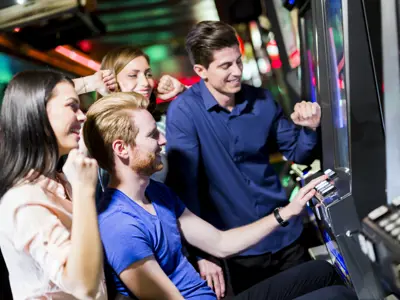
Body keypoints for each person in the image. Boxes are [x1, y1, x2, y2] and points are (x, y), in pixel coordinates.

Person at [83, 92, 358, 300]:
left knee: (324, 271)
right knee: (337, 297)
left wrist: (288, 211)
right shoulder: (119, 225)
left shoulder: (157, 193)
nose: (164, 141)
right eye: (153, 135)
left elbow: (221, 242)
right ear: (121, 148)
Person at [165, 20, 322, 296]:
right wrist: (202, 253)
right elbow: (184, 191)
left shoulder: (262, 100)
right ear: (201, 71)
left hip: (286, 235)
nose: (237, 72)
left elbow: (298, 153)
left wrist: (309, 127)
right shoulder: (185, 112)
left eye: (238, 61)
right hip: (237, 251)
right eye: (225, 66)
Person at [0, 70, 106, 299]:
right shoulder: (24, 200)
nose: (82, 116)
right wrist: (84, 191)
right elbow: (82, 285)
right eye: (72, 106)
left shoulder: (60, 180)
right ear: (37, 114)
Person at [98, 46, 187, 184]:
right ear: (110, 81)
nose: (146, 83)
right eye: (133, 75)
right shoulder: (98, 131)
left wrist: (184, 90)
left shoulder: (162, 124)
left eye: (148, 74)